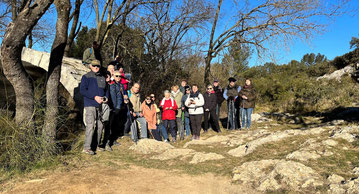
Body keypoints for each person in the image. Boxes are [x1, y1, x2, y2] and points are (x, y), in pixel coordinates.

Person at [80, 59, 109, 155]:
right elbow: (82, 91)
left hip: (101, 105)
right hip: (90, 105)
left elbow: (106, 90)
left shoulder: (102, 77)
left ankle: (97, 145)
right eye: (94, 66)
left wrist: (106, 98)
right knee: (91, 126)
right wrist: (94, 97)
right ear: (90, 66)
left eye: (98, 66)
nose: (96, 67)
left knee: (100, 126)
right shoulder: (86, 77)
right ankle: (87, 148)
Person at [99, 71, 128, 151]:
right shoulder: (111, 84)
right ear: (113, 76)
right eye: (117, 76)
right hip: (112, 108)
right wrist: (115, 108)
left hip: (118, 108)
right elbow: (114, 97)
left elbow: (122, 96)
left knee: (115, 125)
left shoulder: (121, 85)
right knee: (108, 126)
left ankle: (111, 140)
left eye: (120, 76)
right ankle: (105, 143)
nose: (118, 78)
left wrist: (125, 98)